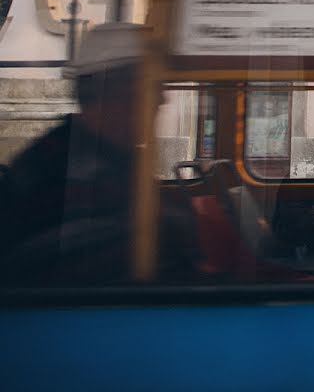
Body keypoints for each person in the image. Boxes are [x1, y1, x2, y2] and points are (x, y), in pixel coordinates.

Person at [0, 23, 190, 284]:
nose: (163, 99)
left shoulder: (105, 154)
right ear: (113, 92)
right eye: (154, 86)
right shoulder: (71, 170)